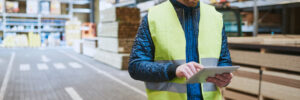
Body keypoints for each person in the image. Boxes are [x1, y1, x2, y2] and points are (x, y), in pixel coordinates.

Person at [128, 0, 233, 99]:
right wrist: (173, 70)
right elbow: (136, 66)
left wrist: (224, 78)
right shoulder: (153, 18)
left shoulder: (215, 17)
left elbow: (224, 60)